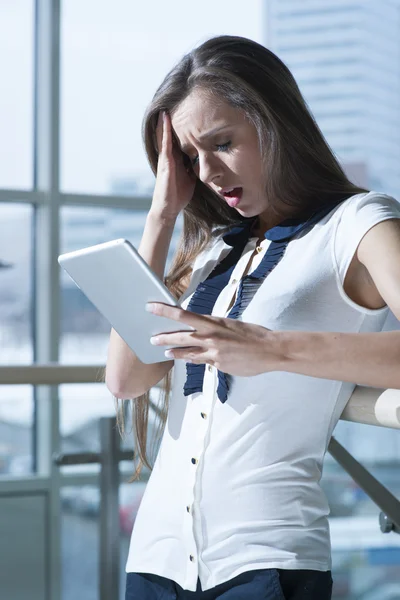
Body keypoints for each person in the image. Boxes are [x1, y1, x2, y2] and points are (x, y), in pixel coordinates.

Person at [105, 35, 400, 600]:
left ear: (276, 123)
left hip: (267, 560)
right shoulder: (216, 250)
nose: (209, 172)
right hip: (156, 558)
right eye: (192, 156)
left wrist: (273, 348)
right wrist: (161, 215)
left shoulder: (358, 224)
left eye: (223, 143)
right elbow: (127, 379)